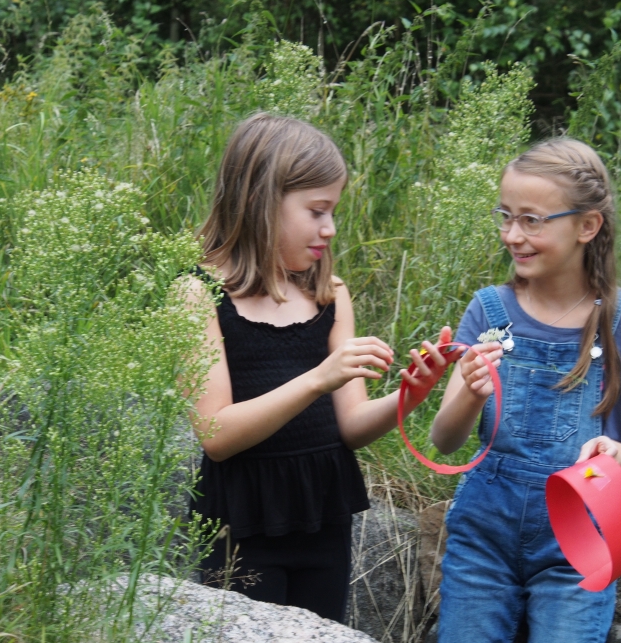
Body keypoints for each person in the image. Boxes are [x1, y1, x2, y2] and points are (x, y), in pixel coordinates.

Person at [181, 113, 453, 623]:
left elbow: (349, 427)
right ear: (261, 202)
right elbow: (216, 433)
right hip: (241, 522)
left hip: (322, 515)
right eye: (316, 210)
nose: (329, 229)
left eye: (334, 211)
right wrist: (318, 378)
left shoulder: (328, 295)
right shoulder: (198, 294)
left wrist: (412, 394)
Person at [429, 137, 621, 643]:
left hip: (579, 544)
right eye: (506, 216)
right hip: (482, 538)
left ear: (587, 226)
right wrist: (471, 395)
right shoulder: (488, 312)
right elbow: (444, 441)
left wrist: (615, 453)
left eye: (533, 220)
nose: (513, 235)